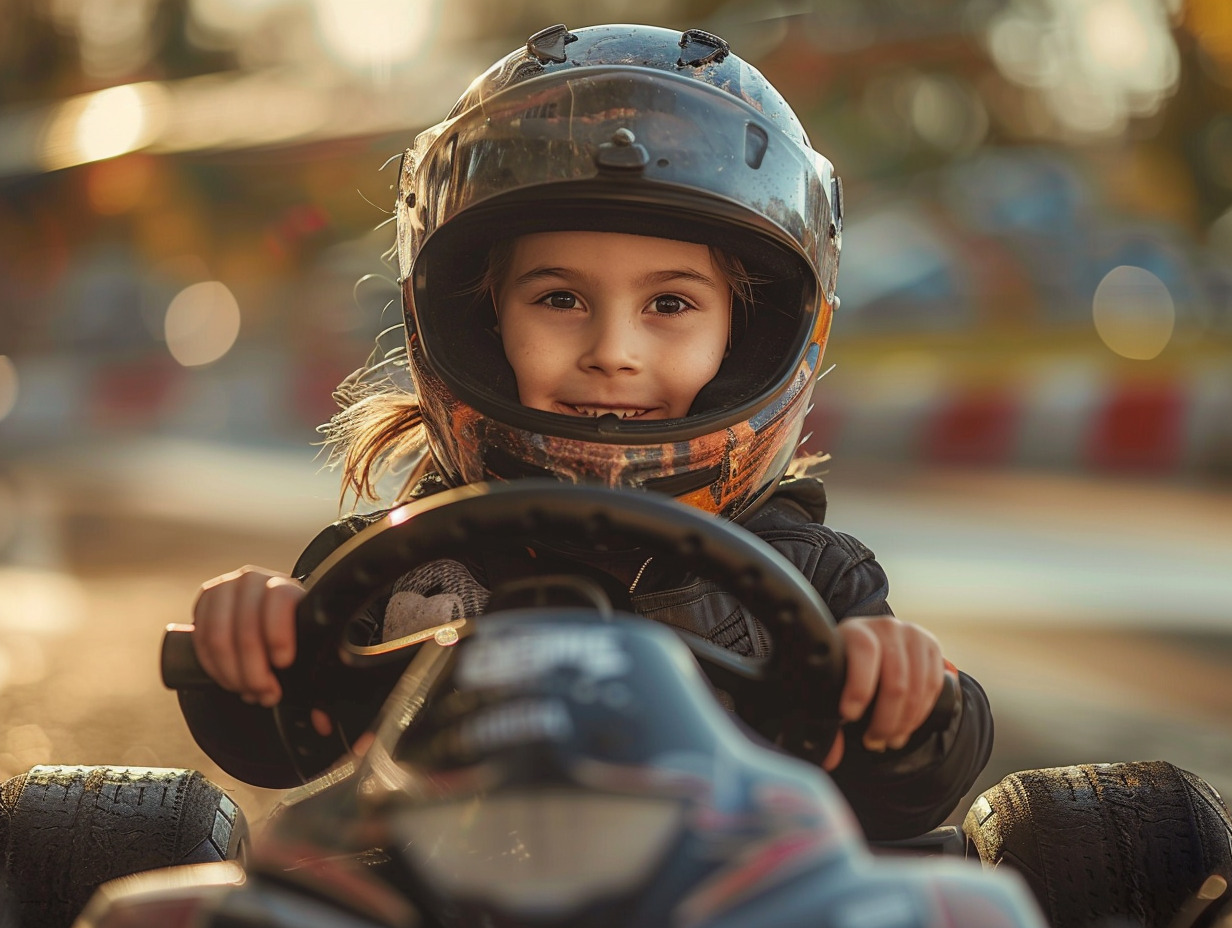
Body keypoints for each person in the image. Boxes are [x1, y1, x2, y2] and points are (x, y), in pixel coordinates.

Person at [181, 22, 993, 841]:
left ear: (750, 334)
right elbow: (273, 751)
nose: (613, 352)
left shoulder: (814, 580)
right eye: (559, 299)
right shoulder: (392, 565)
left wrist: (908, 707)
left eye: (669, 305)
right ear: (480, 322)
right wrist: (251, 644)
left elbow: (905, 799)